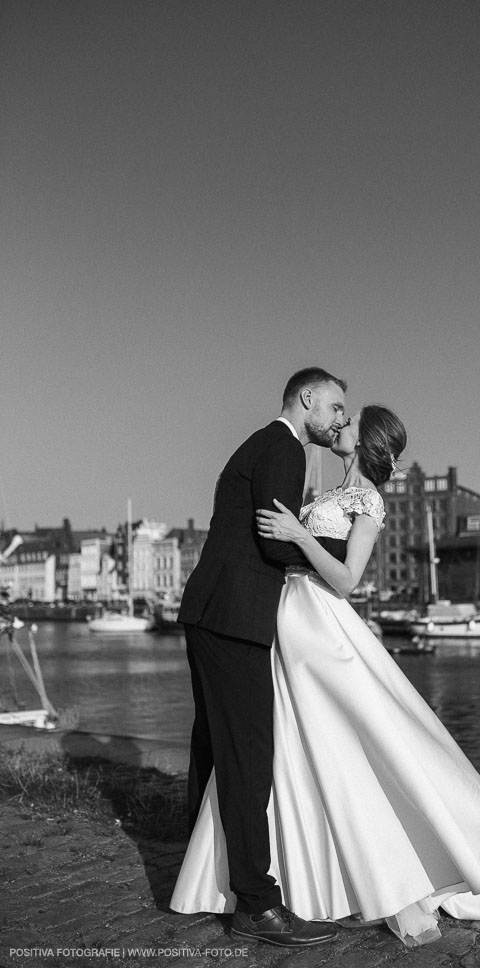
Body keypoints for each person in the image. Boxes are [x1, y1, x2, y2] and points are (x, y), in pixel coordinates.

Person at [172, 405, 480, 948]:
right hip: (286, 617)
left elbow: (348, 581)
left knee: (342, 738)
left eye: (349, 422)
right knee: (286, 743)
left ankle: (378, 864)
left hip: (321, 623)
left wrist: (300, 535)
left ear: (367, 443)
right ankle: (297, 876)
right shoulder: (325, 492)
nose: (339, 426)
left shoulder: (369, 500)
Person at [175, 367, 347, 949]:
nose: (339, 420)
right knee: (249, 758)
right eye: (334, 407)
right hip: (233, 620)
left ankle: (201, 879)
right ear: (306, 401)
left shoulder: (260, 442)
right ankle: (255, 904)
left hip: (213, 613)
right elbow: (276, 540)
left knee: (216, 748)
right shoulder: (285, 448)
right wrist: (339, 552)